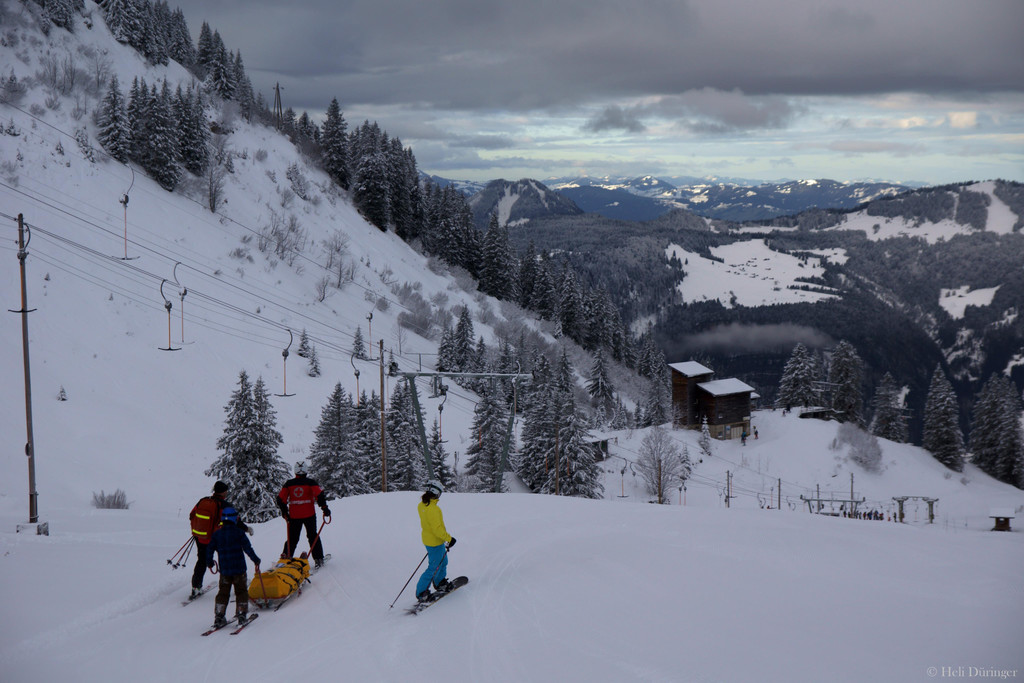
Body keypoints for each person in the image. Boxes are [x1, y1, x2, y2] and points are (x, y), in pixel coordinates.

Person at [188, 480, 251, 599]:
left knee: (201, 561)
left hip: (201, 537)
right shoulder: (225, 506)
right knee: (227, 560)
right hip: (217, 538)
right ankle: (234, 585)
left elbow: (191, 515)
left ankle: (196, 587)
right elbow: (235, 521)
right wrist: (246, 529)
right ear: (223, 492)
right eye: (226, 491)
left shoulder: (203, 501)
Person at [207, 506, 260, 627]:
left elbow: (209, 550)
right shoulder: (239, 533)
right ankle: (241, 615)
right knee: (241, 592)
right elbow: (248, 549)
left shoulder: (217, 534)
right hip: (239, 569)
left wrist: (209, 562)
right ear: (234, 518)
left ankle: (219, 616)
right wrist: (256, 560)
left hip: (225, 571)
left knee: (223, 593)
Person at [277, 462, 331, 567]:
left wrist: (284, 512)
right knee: (313, 536)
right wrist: (325, 508)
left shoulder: (289, 484)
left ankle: (285, 559)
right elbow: (319, 495)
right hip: (309, 515)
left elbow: (280, 499)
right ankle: (318, 559)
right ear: (306, 470)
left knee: (292, 538)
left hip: (294, 516)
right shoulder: (310, 482)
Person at [415, 480, 456, 603]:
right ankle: (421, 592)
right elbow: (437, 529)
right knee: (434, 567)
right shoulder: (433, 509)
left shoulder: (422, 505)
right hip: (435, 542)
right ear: (436, 493)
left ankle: (440, 582)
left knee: (443, 562)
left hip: (431, 540)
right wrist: (449, 539)